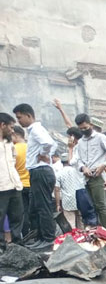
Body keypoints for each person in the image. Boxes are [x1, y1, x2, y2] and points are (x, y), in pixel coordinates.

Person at [13, 104, 57, 249]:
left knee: (43, 207)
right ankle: (40, 237)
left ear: (29, 115)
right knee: (35, 207)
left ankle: (48, 238)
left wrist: (43, 154)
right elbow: (54, 144)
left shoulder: (36, 129)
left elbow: (49, 143)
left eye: (20, 117)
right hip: (38, 172)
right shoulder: (34, 130)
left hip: (41, 171)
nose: (19, 121)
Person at [69, 113, 106, 232]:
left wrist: (103, 165)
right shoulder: (80, 142)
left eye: (86, 128)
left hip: (98, 176)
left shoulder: (100, 137)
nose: (84, 130)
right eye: (81, 129)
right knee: (92, 208)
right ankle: (99, 235)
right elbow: (77, 160)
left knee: (101, 206)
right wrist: (83, 168)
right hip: (86, 177)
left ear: (91, 124)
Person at [0, 114, 25, 244]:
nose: (12, 130)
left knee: (17, 216)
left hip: (15, 185)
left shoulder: (9, 143)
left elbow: (13, 162)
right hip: (1, 187)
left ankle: (17, 244)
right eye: (11, 127)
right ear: (2, 125)